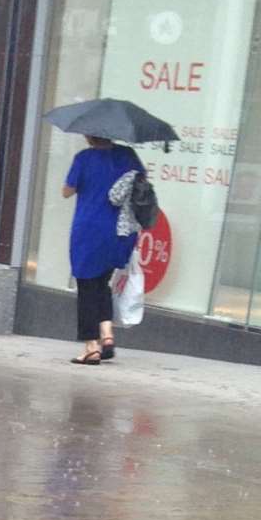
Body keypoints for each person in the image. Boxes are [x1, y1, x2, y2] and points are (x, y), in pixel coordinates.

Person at [60, 135, 146, 366]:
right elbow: (140, 183)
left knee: (87, 285)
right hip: (119, 233)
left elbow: (67, 190)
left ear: (89, 134)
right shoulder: (128, 156)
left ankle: (91, 347)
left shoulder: (84, 158)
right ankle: (107, 334)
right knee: (102, 283)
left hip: (89, 230)